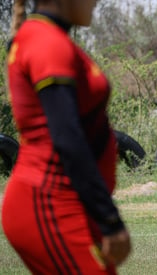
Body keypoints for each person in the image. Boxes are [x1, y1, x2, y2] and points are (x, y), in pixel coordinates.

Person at [1, 0, 131, 274]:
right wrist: (109, 219)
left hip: (69, 202)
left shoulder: (49, 38)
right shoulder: (46, 42)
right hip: (49, 204)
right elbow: (67, 137)